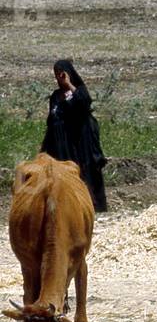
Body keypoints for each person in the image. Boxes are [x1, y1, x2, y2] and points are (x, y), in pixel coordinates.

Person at [42, 60, 108, 212]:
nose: (59, 77)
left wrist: (69, 84)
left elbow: (84, 104)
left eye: (61, 74)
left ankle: (89, 205)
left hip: (79, 143)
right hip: (60, 144)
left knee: (82, 171)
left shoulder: (79, 91)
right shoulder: (55, 96)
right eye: (56, 74)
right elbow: (52, 119)